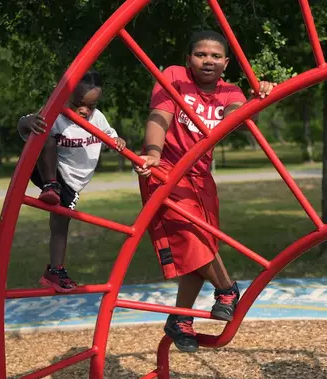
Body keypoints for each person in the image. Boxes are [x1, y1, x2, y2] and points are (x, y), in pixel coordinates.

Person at [134, 30, 276, 353]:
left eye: (215, 56)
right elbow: (159, 116)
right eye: (200, 55)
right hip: (166, 169)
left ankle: (180, 319)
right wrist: (154, 152)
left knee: (201, 244)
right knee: (193, 236)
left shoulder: (229, 92)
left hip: (200, 174)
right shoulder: (174, 77)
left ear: (226, 63)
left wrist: (257, 99)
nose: (207, 61)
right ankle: (227, 289)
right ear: (189, 59)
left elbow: (233, 117)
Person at [17, 70, 126, 292]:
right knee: (43, 133)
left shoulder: (97, 118)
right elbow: (24, 126)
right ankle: (49, 185)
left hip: (72, 183)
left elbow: (111, 136)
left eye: (91, 105)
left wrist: (118, 141)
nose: (84, 110)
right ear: (66, 96)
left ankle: (55, 271)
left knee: (60, 225)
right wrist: (27, 121)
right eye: (78, 103)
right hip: (49, 170)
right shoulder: (55, 115)